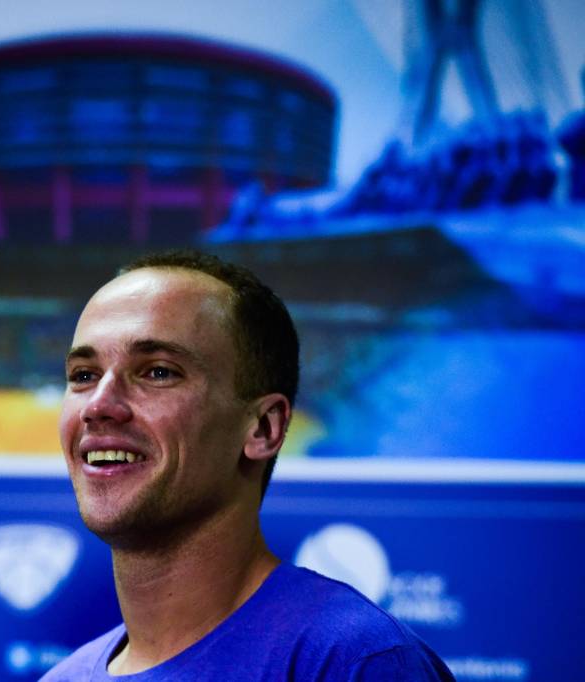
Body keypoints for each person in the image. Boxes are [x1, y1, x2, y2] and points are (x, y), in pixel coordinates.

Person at [42, 250, 453, 681]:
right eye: (84, 375)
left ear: (262, 428)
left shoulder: (354, 662)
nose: (99, 406)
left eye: (158, 372)